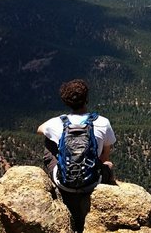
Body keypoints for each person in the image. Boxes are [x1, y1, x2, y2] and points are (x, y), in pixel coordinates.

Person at [37, 79, 116, 233]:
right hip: (92, 182)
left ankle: (58, 177)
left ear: (66, 102)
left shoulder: (57, 123)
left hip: (64, 184)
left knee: (49, 140)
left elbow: (39, 129)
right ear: (86, 98)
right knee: (109, 165)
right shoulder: (103, 122)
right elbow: (105, 155)